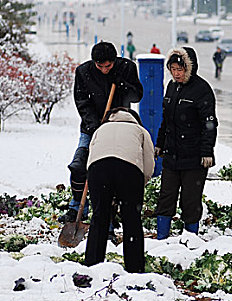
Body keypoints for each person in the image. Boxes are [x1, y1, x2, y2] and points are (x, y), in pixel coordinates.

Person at [59, 41, 143, 224]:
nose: (104, 70)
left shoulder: (127, 68)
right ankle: (77, 206)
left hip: (119, 127)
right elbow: (82, 101)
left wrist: (121, 84)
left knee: (111, 169)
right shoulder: (84, 72)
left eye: (108, 66)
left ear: (114, 61)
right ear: (94, 62)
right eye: (100, 66)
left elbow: (137, 95)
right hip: (92, 127)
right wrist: (95, 126)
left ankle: (110, 212)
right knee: (79, 166)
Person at [154, 47, 218, 238]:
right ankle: (161, 237)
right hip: (172, 155)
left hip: (194, 158)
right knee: (166, 197)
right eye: (172, 69)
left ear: (189, 68)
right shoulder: (172, 87)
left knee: (190, 201)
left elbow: (210, 124)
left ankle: (191, 238)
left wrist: (207, 152)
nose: (176, 73)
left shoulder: (202, 90)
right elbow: (165, 120)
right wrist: (160, 143)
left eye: (180, 69)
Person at [84, 107, 155, 273]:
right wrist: (137, 186)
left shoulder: (100, 129)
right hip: (129, 170)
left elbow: (91, 156)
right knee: (131, 219)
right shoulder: (140, 131)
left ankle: (92, 264)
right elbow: (149, 164)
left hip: (98, 169)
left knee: (99, 216)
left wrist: (101, 187)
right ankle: (134, 267)